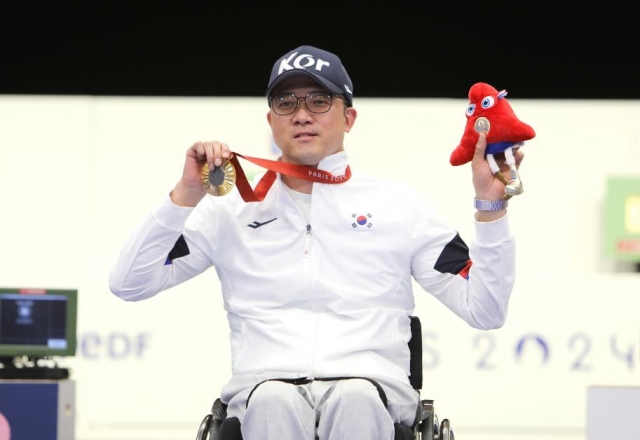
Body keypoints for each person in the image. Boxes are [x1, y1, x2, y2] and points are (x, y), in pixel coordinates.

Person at [109, 45, 523, 440]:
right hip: (262, 391)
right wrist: (185, 194)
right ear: (271, 121)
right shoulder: (228, 212)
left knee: (355, 397)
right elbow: (129, 282)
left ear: (349, 117)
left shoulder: (399, 205)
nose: (302, 115)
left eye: (319, 101)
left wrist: (491, 206)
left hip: (373, 391)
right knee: (274, 400)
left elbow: (484, 308)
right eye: (286, 103)